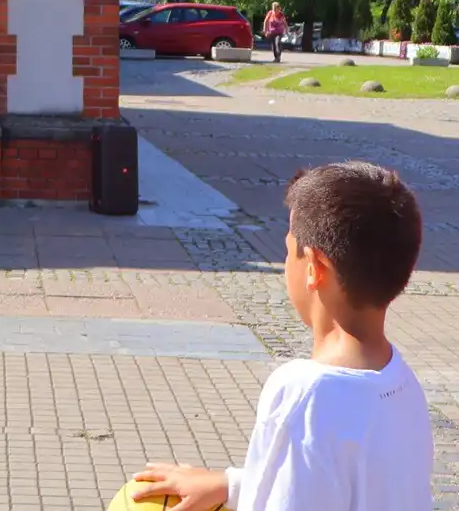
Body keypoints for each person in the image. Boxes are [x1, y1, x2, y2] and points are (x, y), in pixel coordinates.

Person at [133, 161, 430, 511]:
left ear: (315, 268)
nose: (284, 263)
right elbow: (357, 485)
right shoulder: (402, 383)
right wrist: (232, 484)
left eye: (289, 250)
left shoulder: (305, 395)